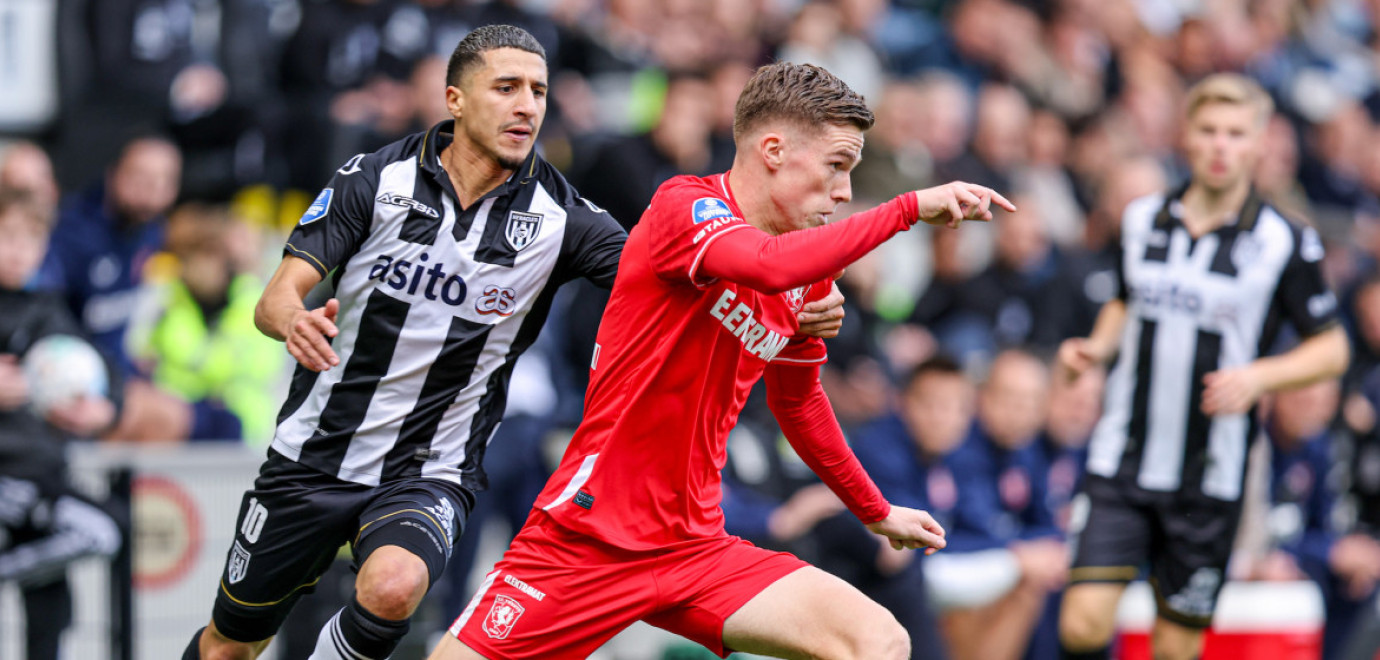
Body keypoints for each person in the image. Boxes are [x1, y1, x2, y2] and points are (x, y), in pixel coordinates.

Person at [182, 26, 846, 660]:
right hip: (314, 456)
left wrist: (790, 295)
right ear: (455, 99)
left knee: (393, 586)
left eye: (538, 91)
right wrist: (291, 319)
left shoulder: (565, 220)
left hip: (430, 466)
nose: (527, 105)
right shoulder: (374, 181)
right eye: (507, 88)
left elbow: (677, 275)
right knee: (230, 644)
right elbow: (275, 298)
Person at [433, 61, 1014, 660]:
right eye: (836, 167)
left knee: (878, 640)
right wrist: (906, 209)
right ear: (773, 150)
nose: (843, 193)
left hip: (695, 547)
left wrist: (877, 510)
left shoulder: (806, 279)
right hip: (590, 534)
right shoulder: (684, 207)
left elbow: (799, 402)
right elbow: (764, 264)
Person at [1056, 73, 1352, 660]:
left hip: (1210, 475)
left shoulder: (1285, 240)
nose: (1221, 145)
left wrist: (1259, 377)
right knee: (1082, 625)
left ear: (1259, 144)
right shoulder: (1141, 220)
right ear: (1184, 137)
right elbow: (1123, 297)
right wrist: (1096, 347)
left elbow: (1332, 348)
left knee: (1175, 647)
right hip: (1123, 456)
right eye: (1209, 130)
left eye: (1236, 133)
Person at [0, 189, 124, 660]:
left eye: (31, 239)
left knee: (52, 611)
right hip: (8, 475)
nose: (18, 250)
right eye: (7, 236)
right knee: (102, 530)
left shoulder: (48, 307)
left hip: (44, 474)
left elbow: (104, 370)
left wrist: (104, 408)